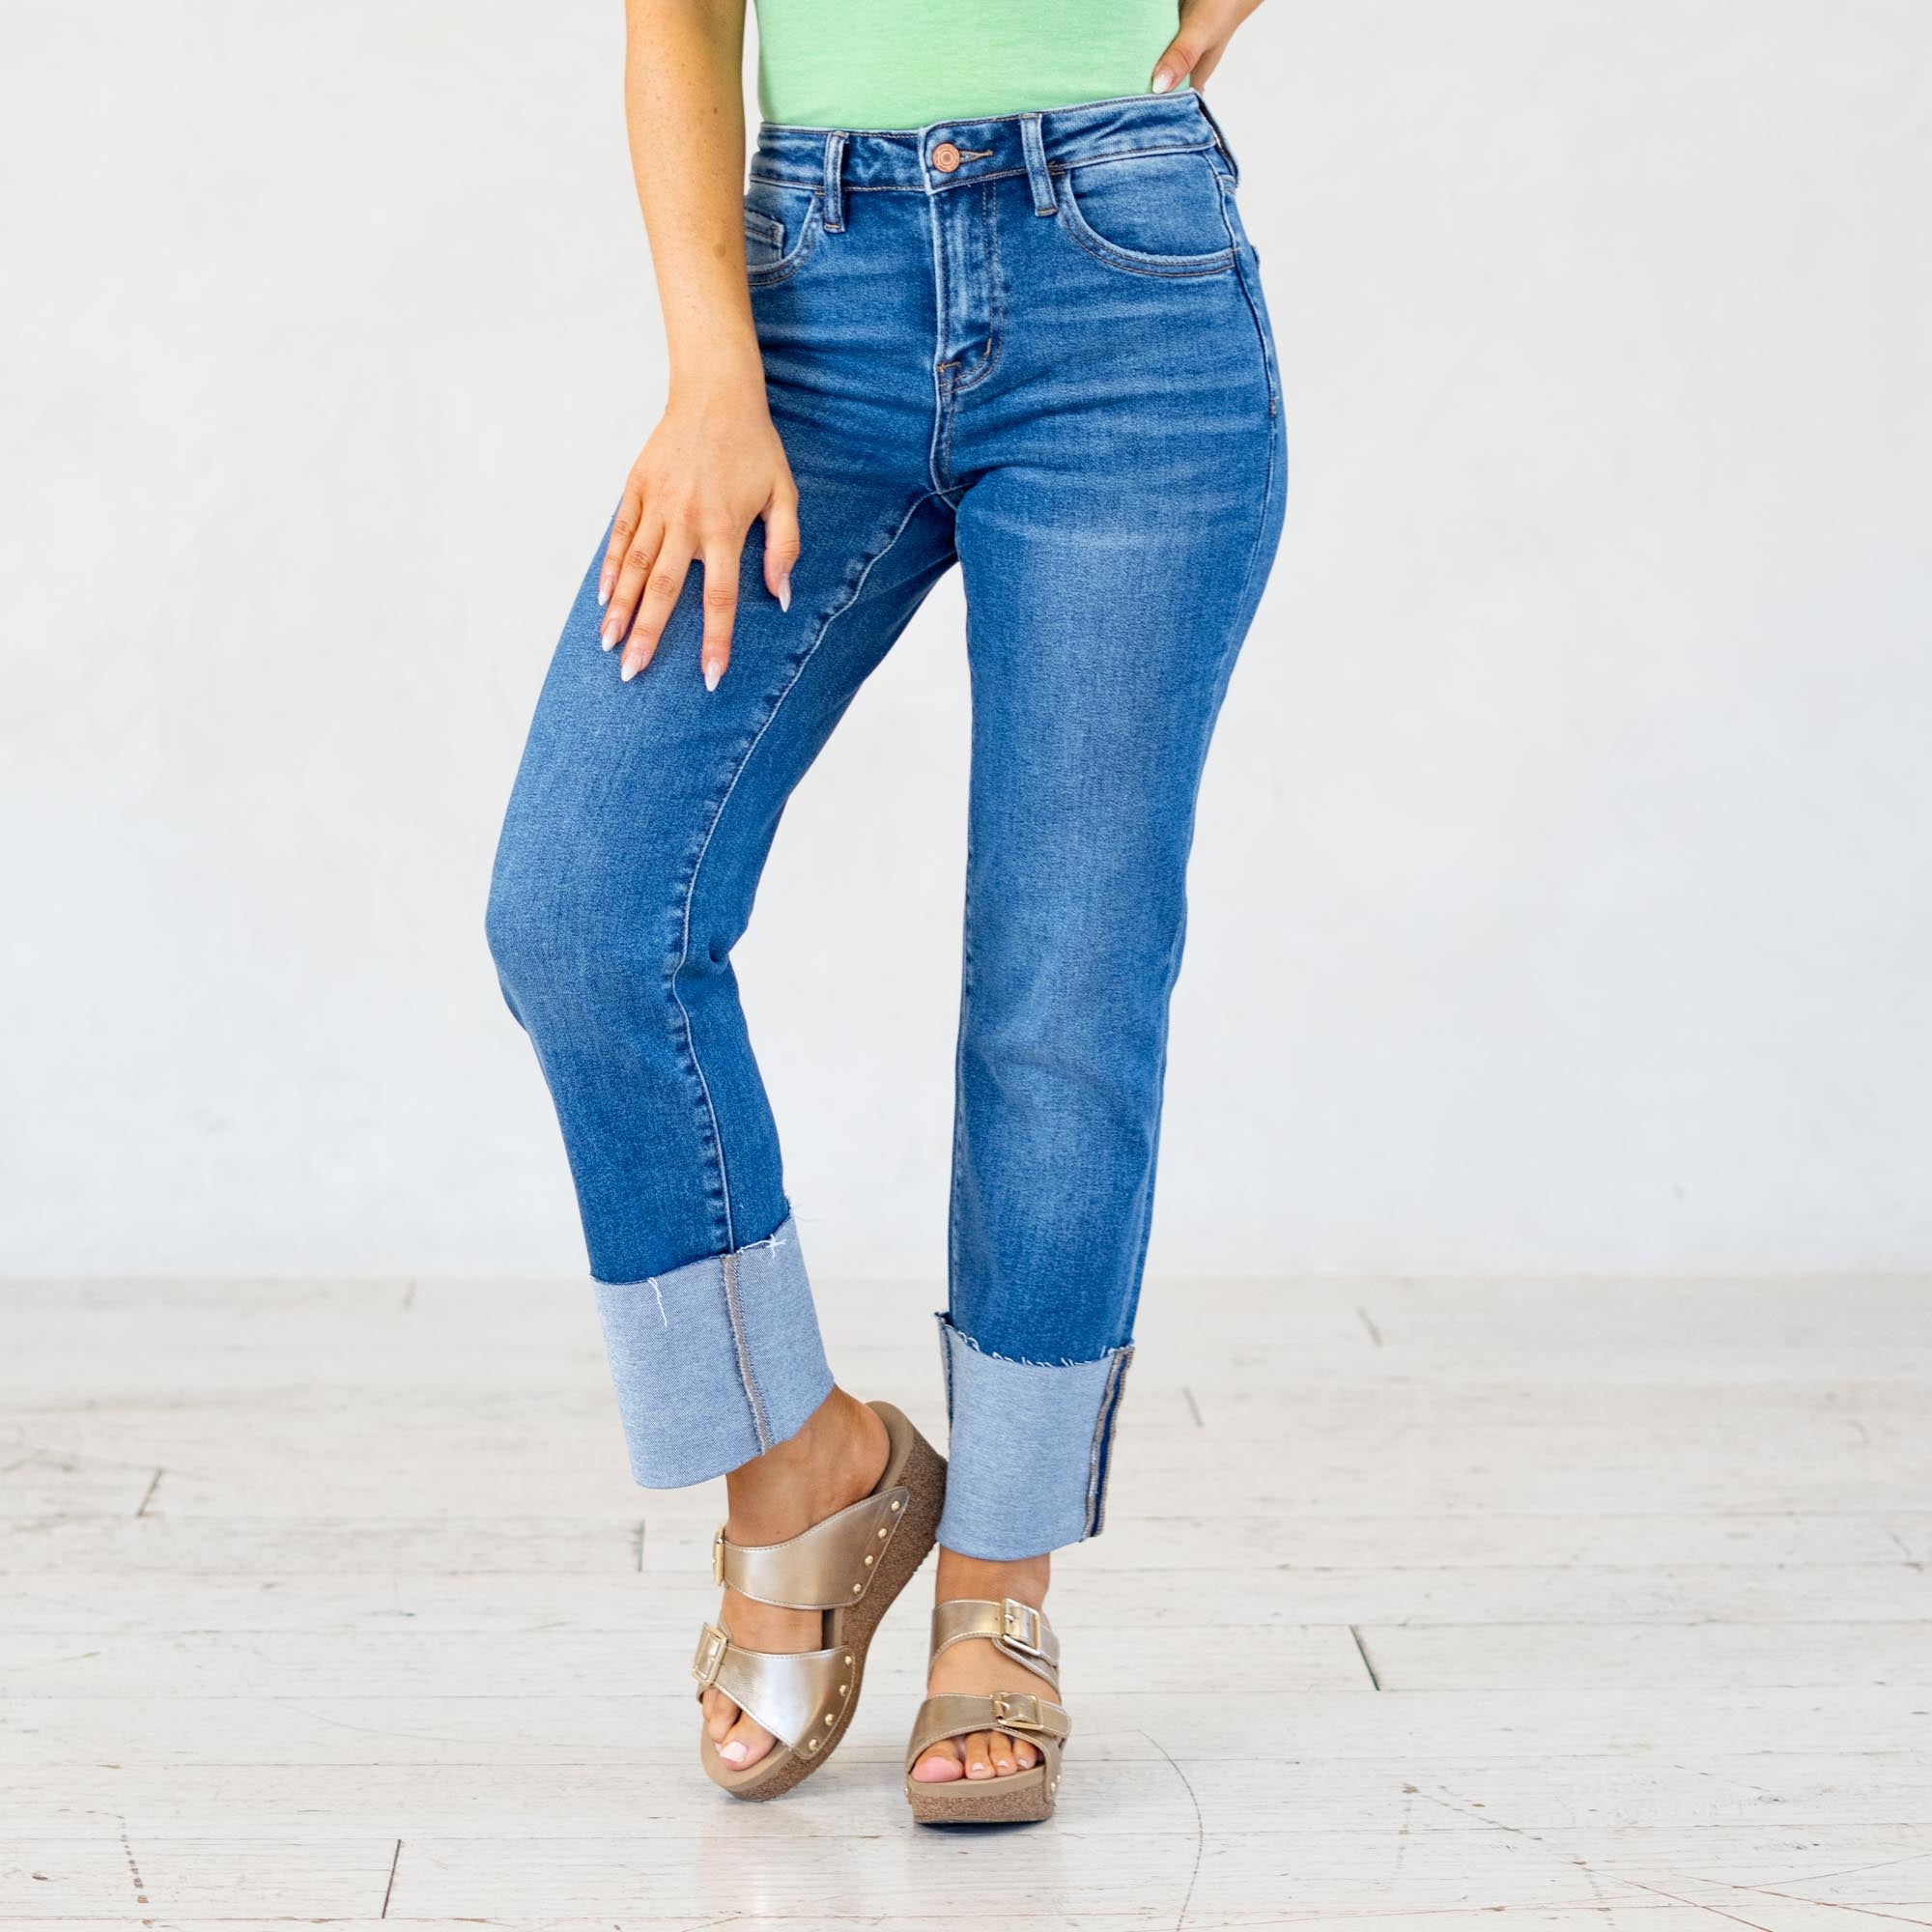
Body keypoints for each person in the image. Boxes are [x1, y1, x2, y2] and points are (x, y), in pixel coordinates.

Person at [486, 0, 1280, 1825]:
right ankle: (803, 1462)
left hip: (1129, 286)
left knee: (1065, 982)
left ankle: (1000, 1579)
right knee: (582, 913)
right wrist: (712, 378)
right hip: (805, 296)